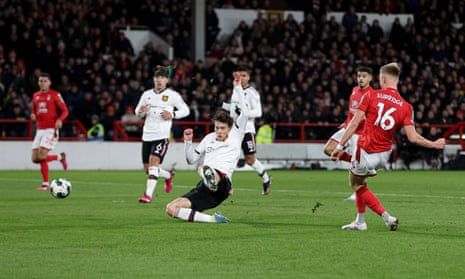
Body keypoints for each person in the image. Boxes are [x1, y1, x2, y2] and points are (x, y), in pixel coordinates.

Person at [331, 62, 445, 231]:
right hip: (384, 155)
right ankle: (360, 221)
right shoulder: (407, 106)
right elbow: (413, 138)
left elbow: (354, 124)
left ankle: (387, 218)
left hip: (366, 149)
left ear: (382, 78)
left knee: (355, 185)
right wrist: (434, 144)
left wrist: (339, 147)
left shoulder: (370, 96)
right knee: (362, 182)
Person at [166, 71, 248, 223]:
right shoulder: (209, 138)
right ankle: (213, 219)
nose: (218, 131)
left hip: (223, 181)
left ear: (230, 128)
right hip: (204, 187)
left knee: (203, 169)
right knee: (171, 208)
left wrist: (237, 88)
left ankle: (212, 179)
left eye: (222, 128)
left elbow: (245, 112)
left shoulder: (237, 134)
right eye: (216, 127)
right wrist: (188, 143)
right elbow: (191, 159)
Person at [135, 65, 190, 203]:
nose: (159, 80)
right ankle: (168, 176)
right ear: (154, 79)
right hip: (147, 135)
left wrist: (171, 114)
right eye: (157, 78)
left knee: (154, 163)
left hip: (161, 136)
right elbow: (137, 112)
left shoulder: (172, 95)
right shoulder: (146, 95)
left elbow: (186, 110)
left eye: (162, 78)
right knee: (148, 169)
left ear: (167, 80)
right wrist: (141, 111)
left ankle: (148, 195)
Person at [323, 67, 374, 201]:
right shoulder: (354, 90)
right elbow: (351, 112)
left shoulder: (372, 95)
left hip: (360, 133)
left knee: (357, 170)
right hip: (348, 128)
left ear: (370, 78)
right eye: (359, 76)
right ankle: (353, 159)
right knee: (328, 149)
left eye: (364, 76)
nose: (361, 79)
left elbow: (373, 117)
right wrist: (346, 122)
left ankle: (358, 192)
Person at [224, 65, 272, 195]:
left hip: (247, 129)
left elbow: (258, 112)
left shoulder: (253, 93)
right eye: (240, 76)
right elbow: (234, 109)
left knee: (250, 159)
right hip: (234, 129)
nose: (242, 78)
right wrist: (225, 107)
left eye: (244, 76)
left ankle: (266, 179)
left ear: (249, 77)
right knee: (231, 157)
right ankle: (227, 186)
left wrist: (245, 113)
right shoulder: (235, 90)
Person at [31, 72, 69, 190]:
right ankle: (59, 157)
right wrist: (33, 114)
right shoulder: (35, 96)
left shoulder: (55, 95)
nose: (42, 83)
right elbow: (34, 110)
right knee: (35, 158)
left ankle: (45, 184)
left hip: (50, 129)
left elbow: (65, 111)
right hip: (40, 130)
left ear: (50, 83)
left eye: (45, 81)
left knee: (42, 155)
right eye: (41, 81)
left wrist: (60, 120)